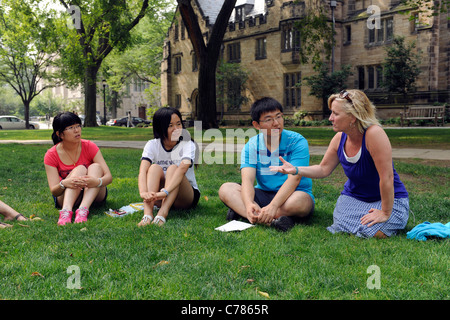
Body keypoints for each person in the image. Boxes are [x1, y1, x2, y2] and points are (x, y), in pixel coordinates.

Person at [270, 89, 409, 239]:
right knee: (345, 226)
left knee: (375, 233)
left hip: (388, 199)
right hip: (354, 198)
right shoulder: (339, 138)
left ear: (353, 117)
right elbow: (323, 169)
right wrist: (295, 169)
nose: (330, 118)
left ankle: (388, 217)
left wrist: (385, 212)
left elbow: (386, 177)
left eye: (336, 114)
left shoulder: (374, 134)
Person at [218, 97, 315, 232]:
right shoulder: (252, 145)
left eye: (279, 116)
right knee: (226, 189)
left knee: (301, 202)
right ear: (257, 125)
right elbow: (247, 180)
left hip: (293, 194)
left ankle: (244, 214)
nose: (276, 123)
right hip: (263, 193)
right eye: (269, 119)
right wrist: (248, 204)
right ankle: (273, 220)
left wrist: (274, 205)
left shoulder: (297, 141)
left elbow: (294, 179)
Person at [44, 112, 112, 225]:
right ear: (60, 134)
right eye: (71, 128)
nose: (77, 130)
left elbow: (109, 177)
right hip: (65, 196)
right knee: (80, 169)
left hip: (93, 193)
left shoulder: (90, 146)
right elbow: (54, 191)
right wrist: (65, 183)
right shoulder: (51, 154)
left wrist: (96, 181)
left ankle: (83, 210)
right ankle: (66, 211)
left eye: (78, 126)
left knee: (96, 167)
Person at [137, 107, 200, 226]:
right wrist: (143, 192)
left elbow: (182, 170)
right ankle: (148, 214)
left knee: (173, 169)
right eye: (170, 125)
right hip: (159, 197)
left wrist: (165, 192)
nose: (176, 129)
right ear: (161, 127)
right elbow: (143, 171)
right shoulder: (152, 145)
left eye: (179, 124)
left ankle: (162, 213)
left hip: (184, 197)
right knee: (154, 168)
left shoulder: (188, 144)